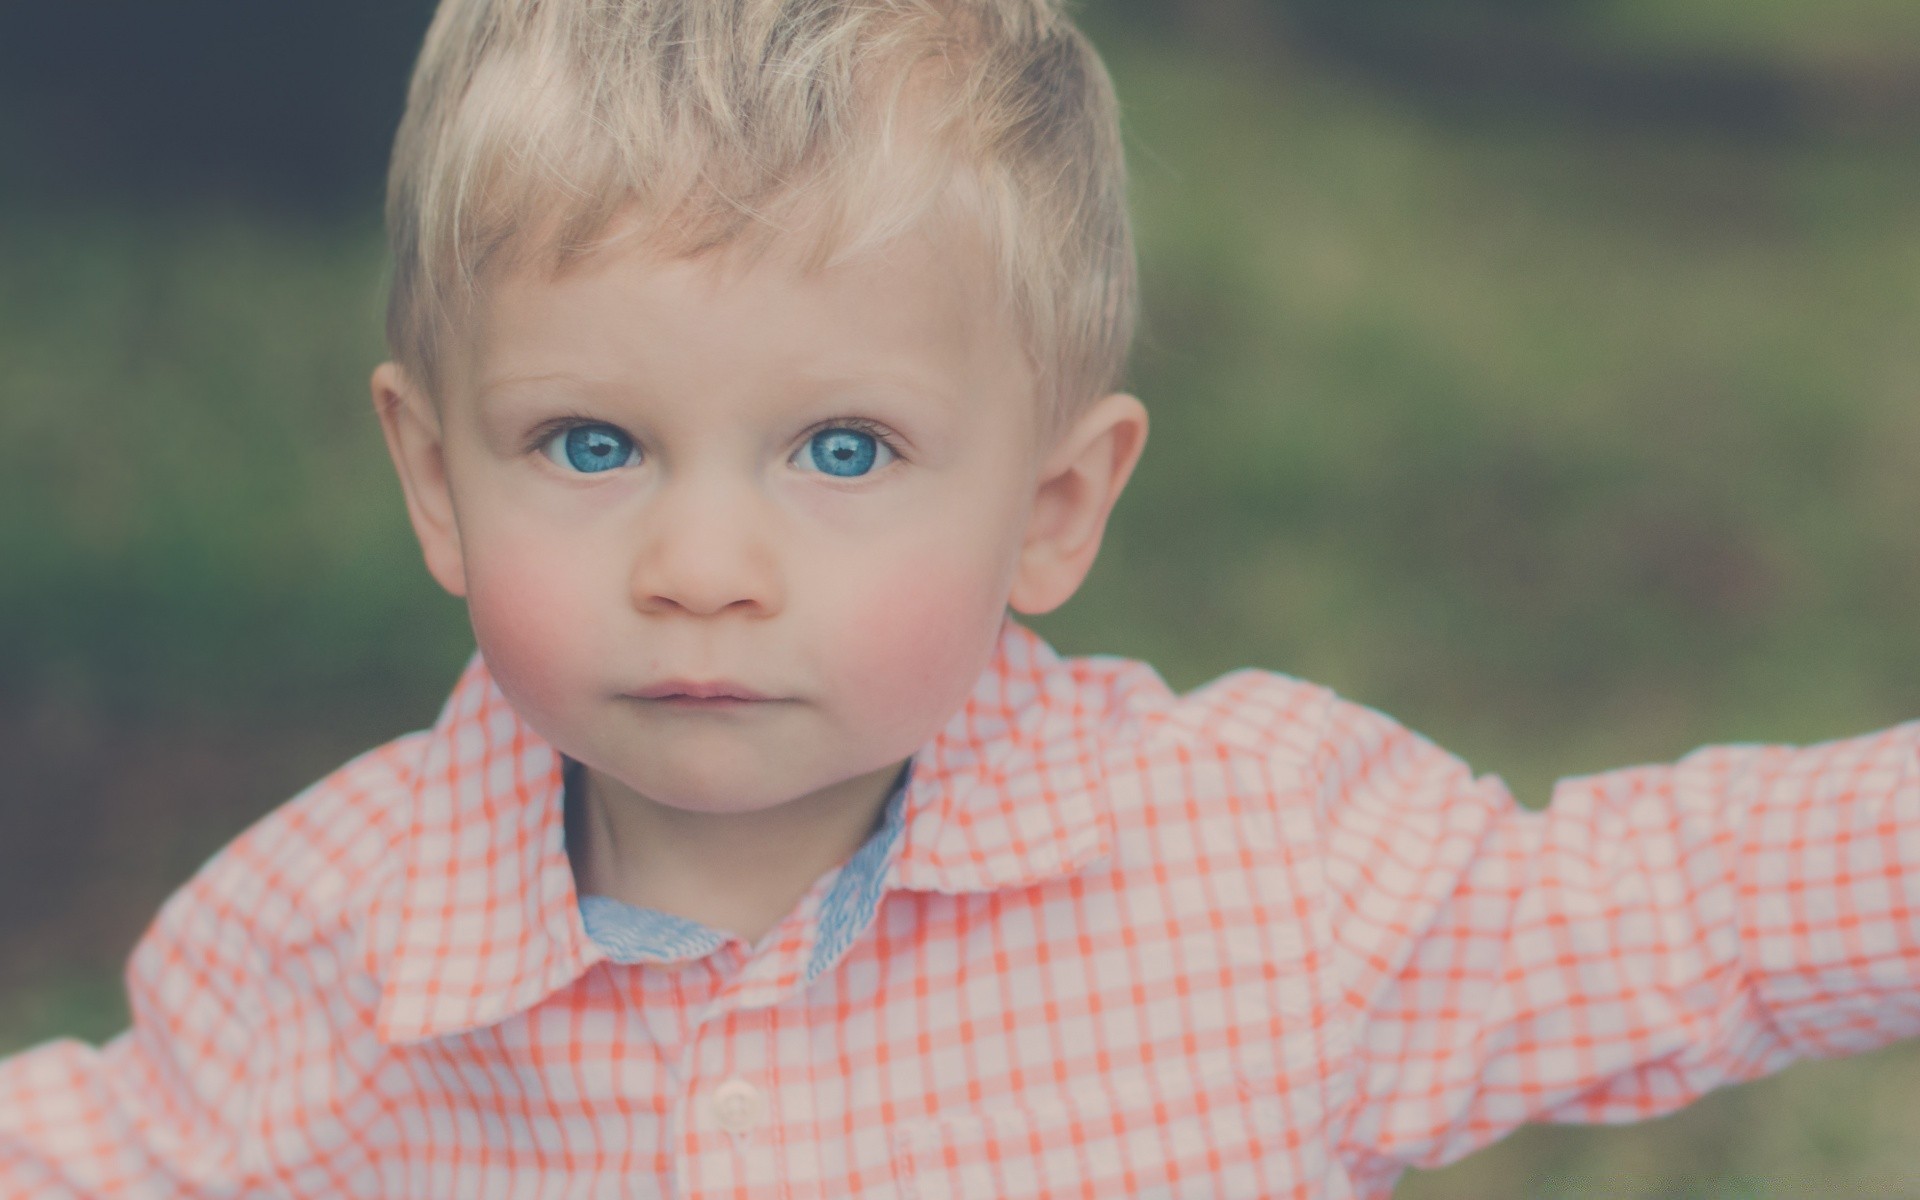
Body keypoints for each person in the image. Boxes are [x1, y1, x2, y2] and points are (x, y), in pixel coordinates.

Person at [3, 0, 1916, 1195]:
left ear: (1055, 506)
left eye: (843, 452)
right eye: (590, 446)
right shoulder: (323, 959)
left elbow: (1668, 910)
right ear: (435, 474)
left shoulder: (1255, 873)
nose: (701, 570)